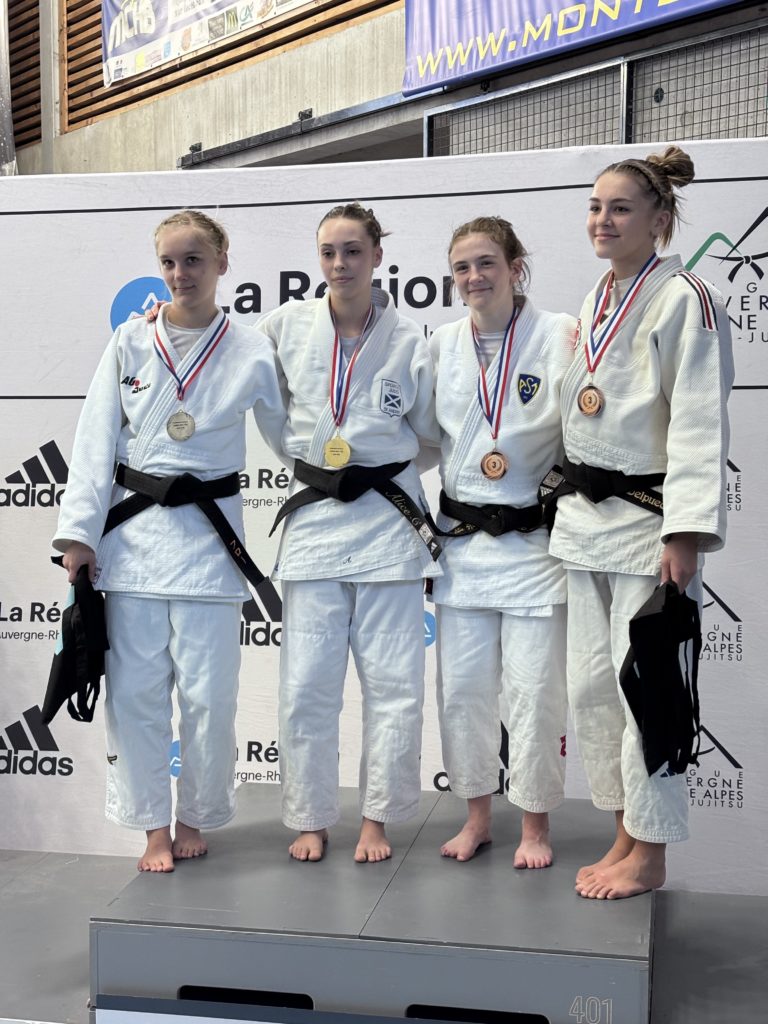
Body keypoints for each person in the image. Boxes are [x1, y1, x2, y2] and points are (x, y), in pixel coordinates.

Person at [52, 210, 287, 873]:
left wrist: (358, 472)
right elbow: (95, 439)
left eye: (193, 260)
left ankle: (196, 815)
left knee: (210, 699)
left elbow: (290, 436)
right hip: (133, 546)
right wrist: (79, 537)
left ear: (222, 263)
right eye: (169, 262)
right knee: (136, 698)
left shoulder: (251, 350)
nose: (180, 274)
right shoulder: (130, 341)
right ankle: (153, 826)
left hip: (209, 548)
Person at [548, 147, 733, 899]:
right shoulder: (599, 296)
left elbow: (697, 422)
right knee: (594, 688)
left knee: (648, 690)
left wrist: (685, 531)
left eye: (620, 208)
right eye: (595, 207)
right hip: (586, 519)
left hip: (648, 526)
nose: (603, 220)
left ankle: (651, 852)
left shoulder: (685, 297)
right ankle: (625, 830)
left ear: (660, 219)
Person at [257, 202, 441, 863]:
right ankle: (310, 817)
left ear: (377, 256)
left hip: (388, 527)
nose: (340, 264)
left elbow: (431, 435)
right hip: (314, 526)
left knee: (393, 687)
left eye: (353, 251)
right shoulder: (284, 327)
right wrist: (319, 467)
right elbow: (249, 385)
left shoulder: (411, 341)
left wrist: (374, 473)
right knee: (306, 685)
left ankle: (377, 819)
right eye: (329, 252)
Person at [429, 217, 575, 867]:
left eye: (486, 263)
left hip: (533, 546)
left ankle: (535, 824)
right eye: (462, 267)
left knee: (535, 692)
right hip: (463, 547)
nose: (474, 277)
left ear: (516, 267)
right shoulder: (440, 345)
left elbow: (587, 428)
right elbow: (415, 436)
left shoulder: (560, 334)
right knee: (464, 691)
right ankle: (477, 817)